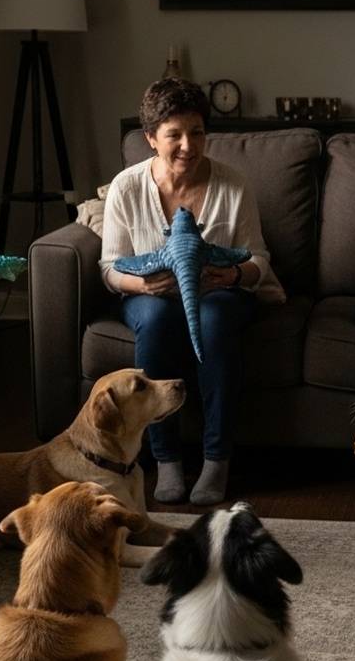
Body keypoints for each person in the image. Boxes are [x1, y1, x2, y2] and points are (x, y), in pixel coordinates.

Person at [99, 77, 281, 507]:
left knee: (216, 318)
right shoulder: (126, 187)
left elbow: (258, 259)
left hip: (219, 295)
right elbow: (110, 267)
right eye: (174, 135)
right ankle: (166, 460)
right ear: (150, 139)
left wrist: (232, 277)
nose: (188, 145)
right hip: (151, 296)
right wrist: (141, 282)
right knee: (158, 319)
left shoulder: (233, 184)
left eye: (196, 133)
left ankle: (217, 460)